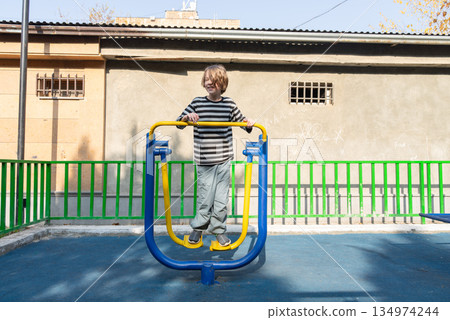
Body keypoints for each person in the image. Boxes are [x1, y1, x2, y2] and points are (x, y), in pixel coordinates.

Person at [176, 64, 255, 246]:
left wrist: (248, 122)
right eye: (206, 79)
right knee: (205, 197)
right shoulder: (197, 102)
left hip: (224, 159)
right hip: (205, 160)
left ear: (222, 82)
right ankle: (198, 229)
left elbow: (242, 122)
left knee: (221, 200)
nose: (208, 82)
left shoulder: (229, 104)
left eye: (213, 79)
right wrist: (188, 118)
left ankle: (219, 230)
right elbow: (179, 123)